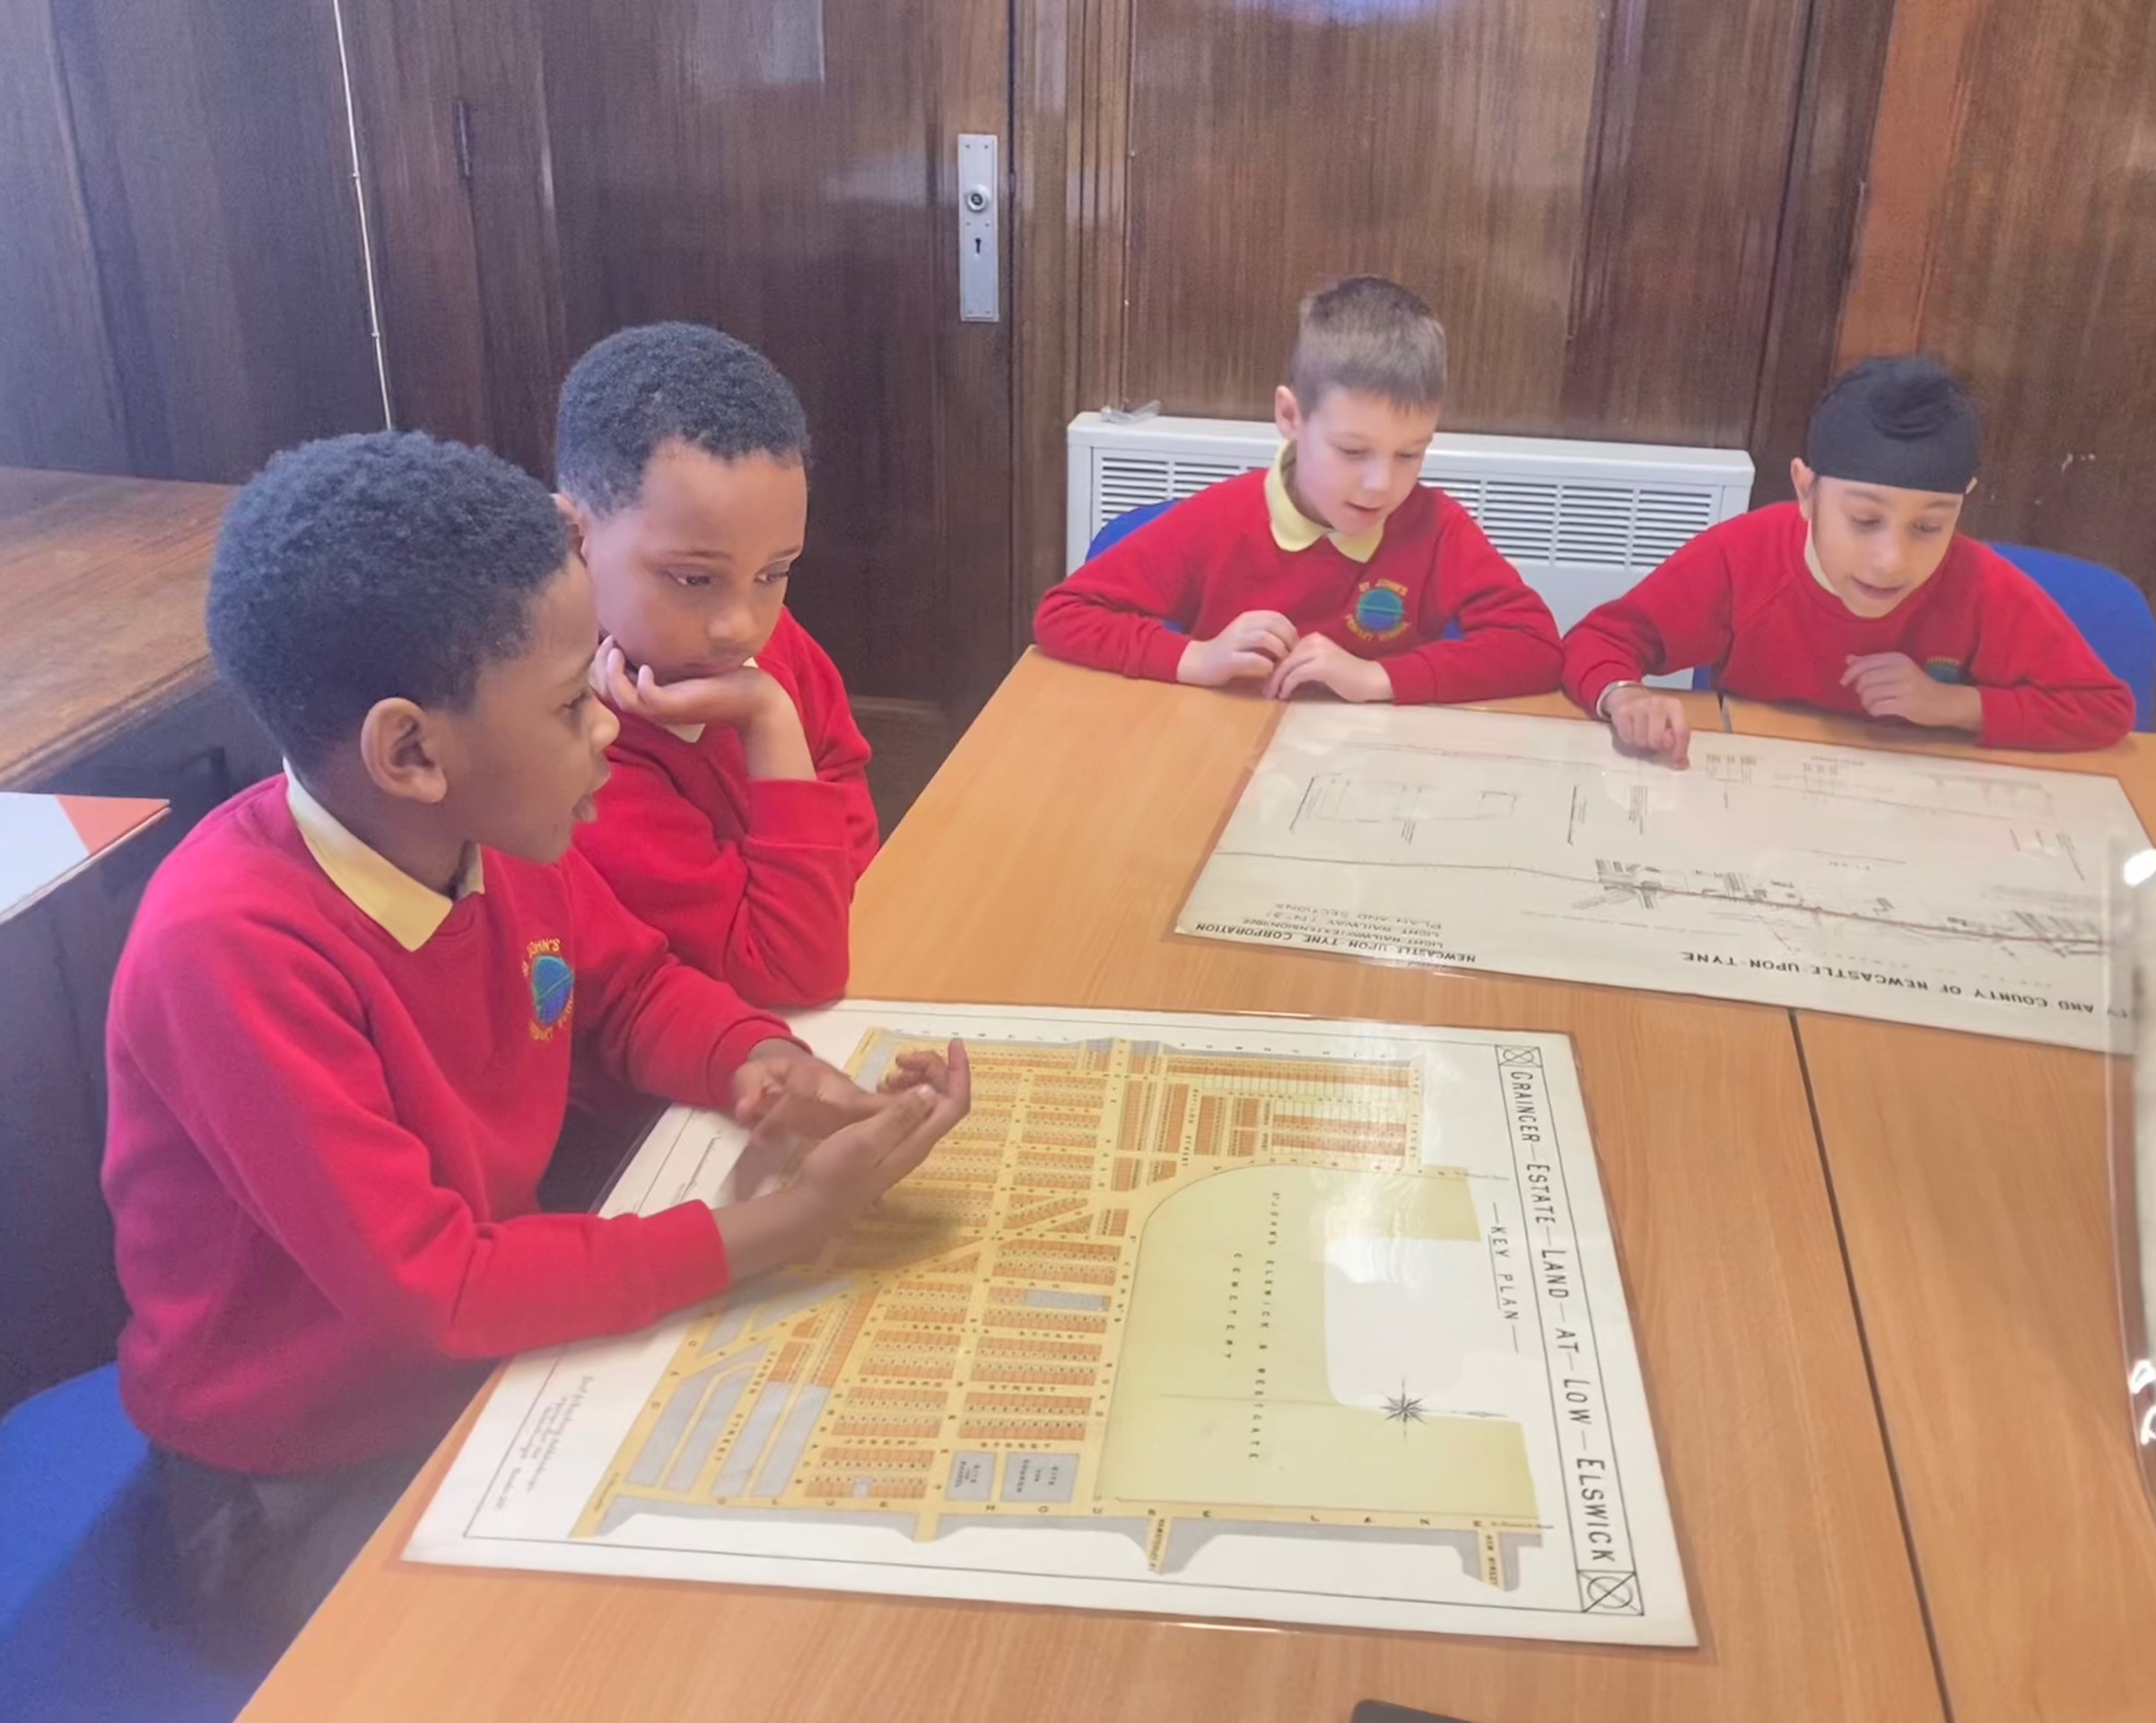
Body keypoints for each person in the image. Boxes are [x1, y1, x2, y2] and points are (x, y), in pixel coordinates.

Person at [102, 431, 967, 1656]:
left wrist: (765, 1066)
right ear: (413, 751)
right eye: (571, 704)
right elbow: (438, 1287)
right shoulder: (229, 950)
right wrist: (784, 1224)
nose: (608, 728)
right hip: (291, 1481)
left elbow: (632, 992)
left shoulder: (494, 835)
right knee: (599, 1655)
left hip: (480, 1372)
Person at [1563, 354, 2135, 763]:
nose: (1891, 560)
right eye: (1864, 520)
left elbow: (2103, 709)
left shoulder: (1980, 586)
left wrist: (1953, 705)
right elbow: (1600, 640)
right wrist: (1625, 695)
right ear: (1805, 491)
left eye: (1929, 527)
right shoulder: (1744, 557)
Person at [1034, 277, 1563, 704]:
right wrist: (1197, 658)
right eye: (1352, 451)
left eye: (1409, 454)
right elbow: (1063, 614)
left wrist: (1378, 678)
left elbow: (1537, 648)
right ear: (1291, 416)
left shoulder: (1435, 527)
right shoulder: (1219, 520)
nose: (1382, 485)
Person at [559, 322, 874, 1009]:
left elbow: (846, 793)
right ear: (574, 537)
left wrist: (811, 899)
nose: (740, 624)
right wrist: (767, 719)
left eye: (773, 573)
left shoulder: (767, 641)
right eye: (692, 579)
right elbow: (796, 969)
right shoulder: (572, 752)